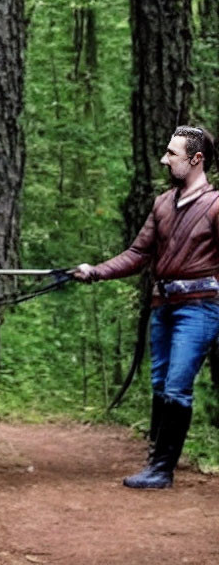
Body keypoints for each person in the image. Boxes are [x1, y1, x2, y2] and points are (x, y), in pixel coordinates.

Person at [75, 126, 219, 489]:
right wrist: (95, 272)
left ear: (196, 159)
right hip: (164, 306)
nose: (164, 159)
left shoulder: (216, 207)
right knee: (159, 382)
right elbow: (138, 254)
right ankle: (157, 461)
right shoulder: (162, 205)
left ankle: (162, 470)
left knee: (176, 386)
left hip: (200, 308)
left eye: (172, 154)